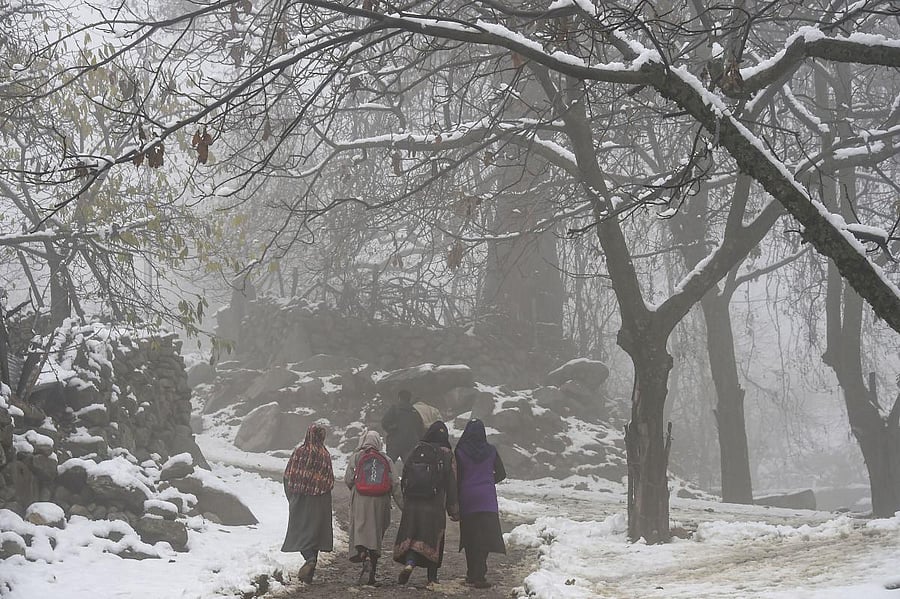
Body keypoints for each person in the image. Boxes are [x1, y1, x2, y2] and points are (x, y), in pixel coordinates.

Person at [393, 420, 459, 588]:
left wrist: (407, 498)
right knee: (432, 539)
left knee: (413, 534)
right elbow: (452, 483)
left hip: (413, 504)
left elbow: (405, 474)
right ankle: (432, 577)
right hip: (434, 504)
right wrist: (453, 509)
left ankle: (410, 562)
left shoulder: (416, 450)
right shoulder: (446, 454)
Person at [344, 430, 403, 586]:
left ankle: (363, 554)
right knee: (376, 534)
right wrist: (403, 506)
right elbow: (395, 483)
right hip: (380, 501)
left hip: (361, 500)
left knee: (360, 530)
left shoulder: (357, 457)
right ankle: (372, 571)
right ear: (378, 442)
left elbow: (349, 479)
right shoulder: (386, 459)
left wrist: (356, 488)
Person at [455, 418, 507, 589]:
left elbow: (457, 476)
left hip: (468, 499)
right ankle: (480, 575)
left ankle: (471, 574)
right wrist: (487, 481)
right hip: (487, 500)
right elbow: (501, 473)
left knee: (470, 537)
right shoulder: (491, 451)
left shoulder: (460, 451)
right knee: (484, 538)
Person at [281, 423, 334, 584]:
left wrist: (291, 498)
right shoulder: (325, 455)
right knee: (315, 534)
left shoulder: (299, 452)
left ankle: (309, 559)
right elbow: (330, 480)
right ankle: (310, 572)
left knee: (299, 531)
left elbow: (288, 476)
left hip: (300, 498)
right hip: (320, 501)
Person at [380, 389, 425, 462]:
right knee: (410, 469)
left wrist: (391, 430)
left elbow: (384, 422)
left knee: (388, 466)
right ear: (409, 399)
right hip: (410, 444)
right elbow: (420, 429)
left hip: (394, 443)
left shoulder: (394, 408)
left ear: (399, 398)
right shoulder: (414, 411)